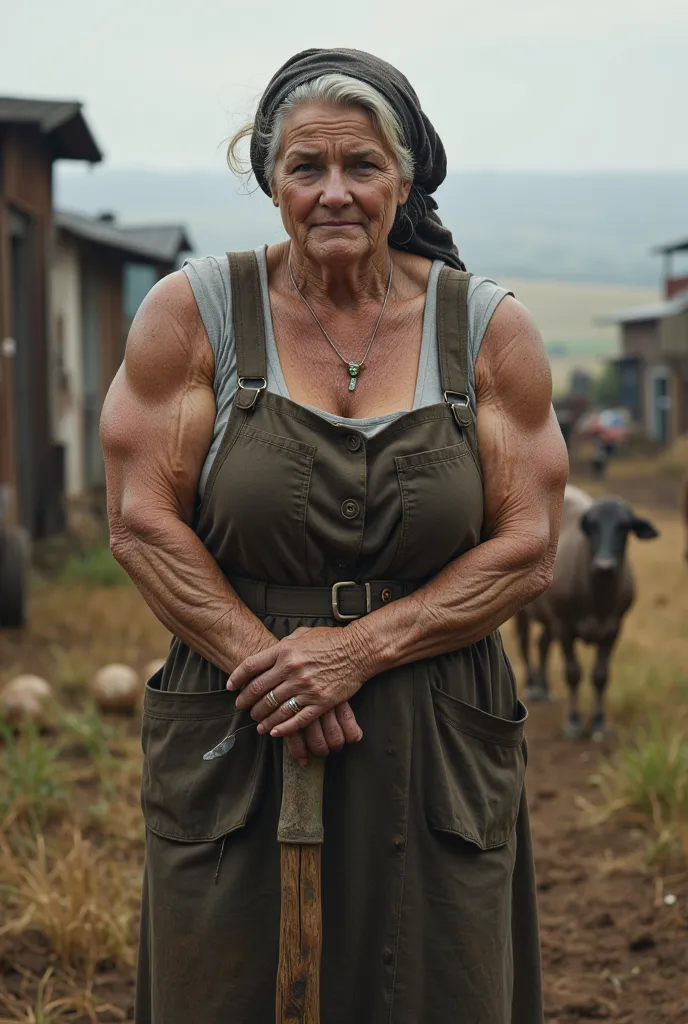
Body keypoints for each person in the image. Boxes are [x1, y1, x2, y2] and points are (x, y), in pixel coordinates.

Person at [101, 47, 568, 1024]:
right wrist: (272, 667)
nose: (334, 192)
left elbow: (527, 541)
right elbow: (142, 521)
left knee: (432, 984)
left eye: (361, 166)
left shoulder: (484, 331)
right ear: (268, 174)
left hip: (430, 714)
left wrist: (358, 651)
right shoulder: (194, 315)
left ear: (404, 176)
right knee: (225, 986)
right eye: (305, 167)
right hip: (241, 713)